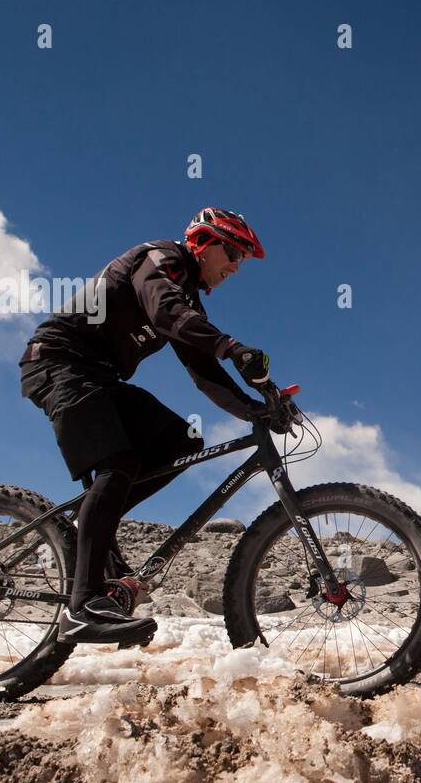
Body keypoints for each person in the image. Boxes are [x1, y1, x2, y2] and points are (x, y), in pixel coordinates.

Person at [19, 208, 286, 646]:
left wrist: (259, 410)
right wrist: (231, 346)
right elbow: (165, 313)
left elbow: (206, 374)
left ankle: (94, 529)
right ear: (203, 241)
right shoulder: (162, 259)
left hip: (98, 378)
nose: (236, 266)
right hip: (58, 362)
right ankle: (83, 607)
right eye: (233, 252)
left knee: (182, 442)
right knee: (119, 462)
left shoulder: (190, 303)